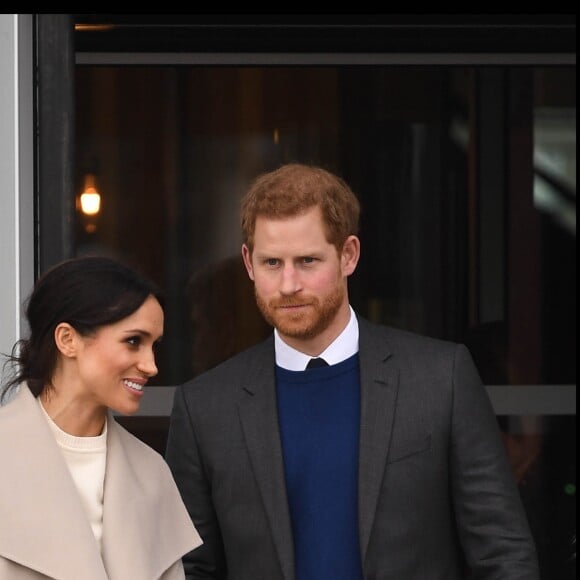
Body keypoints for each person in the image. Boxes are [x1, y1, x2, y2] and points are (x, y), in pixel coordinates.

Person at [165, 163, 540, 579]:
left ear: (348, 255)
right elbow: (191, 569)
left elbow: (502, 553)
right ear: (249, 264)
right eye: (272, 263)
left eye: (308, 261)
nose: (288, 284)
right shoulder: (205, 408)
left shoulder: (440, 379)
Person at [0, 256, 202, 580]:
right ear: (68, 339)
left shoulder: (151, 474)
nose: (151, 366)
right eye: (133, 341)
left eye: (154, 345)